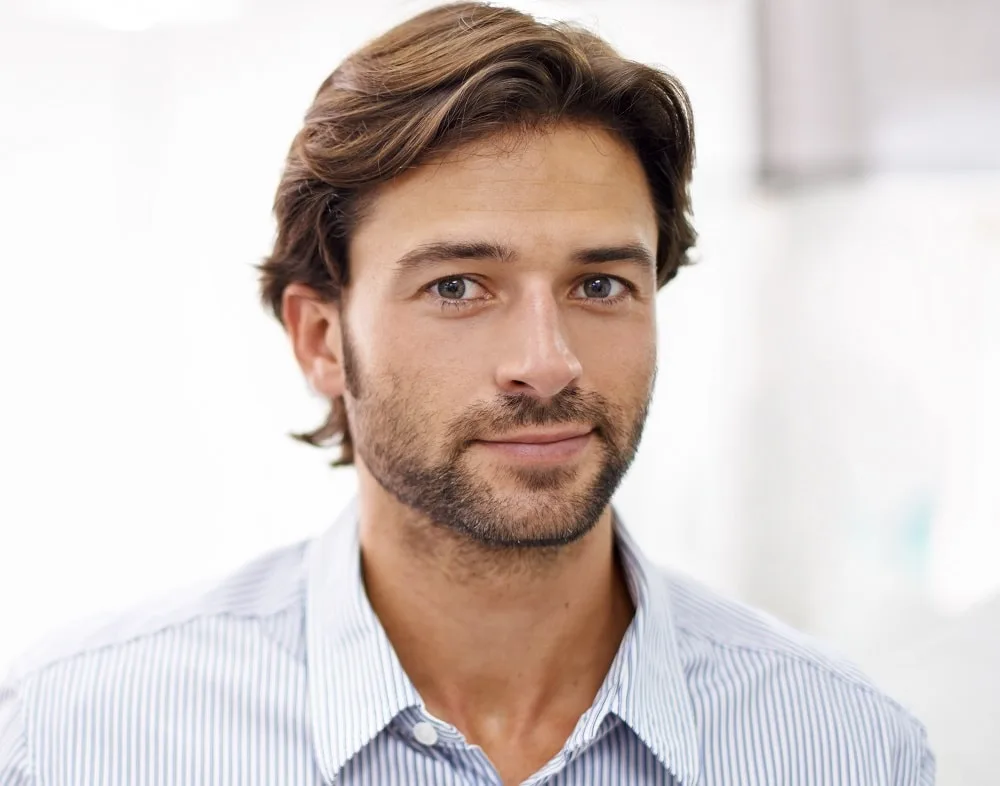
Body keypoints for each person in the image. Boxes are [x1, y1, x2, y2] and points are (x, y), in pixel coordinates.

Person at [0, 3, 933, 784]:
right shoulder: (81, 736)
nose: (549, 361)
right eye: (457, 287)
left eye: (600, 285)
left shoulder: (847, 747)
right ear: (322, 340)